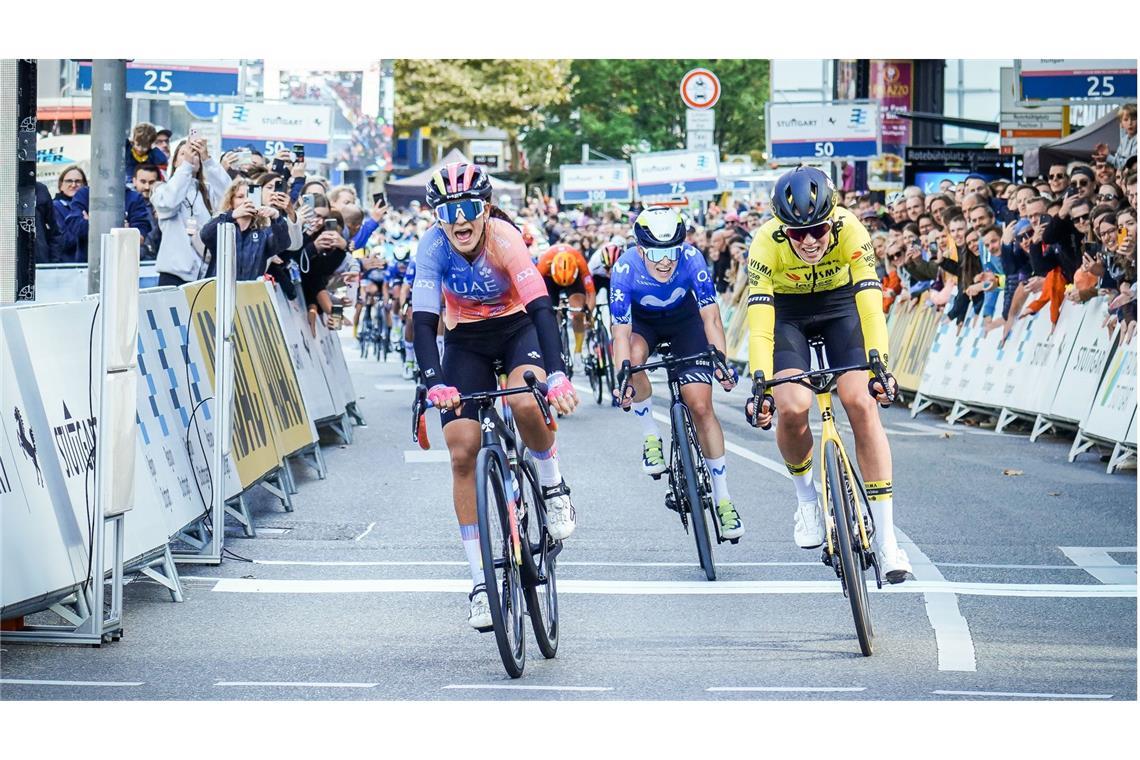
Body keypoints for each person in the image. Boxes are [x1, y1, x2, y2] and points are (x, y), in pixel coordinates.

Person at [411, 161, 578, 630]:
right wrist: (433, 381)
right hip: (465, 340)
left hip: (516, 329)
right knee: (461, 450)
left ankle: (552, 484)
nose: (459, 220)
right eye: (448, 211)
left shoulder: (505, 238)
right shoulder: (433, 246)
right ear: (437, 217)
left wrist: (559, 373)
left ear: (484, 209)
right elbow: (423, 320)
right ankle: (482, 583)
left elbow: (543, 308)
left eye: (467, 208)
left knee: (525, 401)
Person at [744, 166, 910, 582]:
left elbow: (871, 305)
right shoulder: (765, 242)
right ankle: (806, 502)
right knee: (792, 405)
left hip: (841, 307)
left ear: (831, 218)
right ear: (783, 229)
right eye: (797, 234)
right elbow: (761, 323)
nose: (809, 241)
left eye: (817, 230)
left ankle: (888, 542)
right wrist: (759, 384)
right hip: (789, 316)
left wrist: (880, 367)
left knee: (860, 401)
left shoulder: (852, 229)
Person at [609, 206, 744, 541]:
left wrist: (721, 362)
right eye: (656, 252)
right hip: (644, 327)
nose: (666, 261)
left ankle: (724, 499)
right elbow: (621, 336)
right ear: (640, 249)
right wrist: (622, 379)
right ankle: (650, 435)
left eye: (672, 251)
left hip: (687, 325)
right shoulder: (625, 268)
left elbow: (712, 319)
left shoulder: (693, 259)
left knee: (700, 405)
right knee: (634, 361)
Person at [151, 137, 231, 286]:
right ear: (174, 162)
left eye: (195, 153)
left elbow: (229, 194)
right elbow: (169, 202)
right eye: (184, 154)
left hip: (204, 275)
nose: (190, 156)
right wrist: (186, 167)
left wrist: (207, 159)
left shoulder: (207, 191)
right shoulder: (162, 189)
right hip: (174, 275)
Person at [200, 177, 292, 282]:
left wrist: (276, 217)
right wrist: (231, 215)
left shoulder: (263, 233)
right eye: (240, 197)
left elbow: (283, 243)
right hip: (218, 293)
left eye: (250, 196)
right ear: (231, 202)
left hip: (248, 294)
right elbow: (205, 235)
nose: (246, 201)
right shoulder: (222, 226)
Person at [537, 242, 595, 366]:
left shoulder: (580, 262)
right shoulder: (543, 264)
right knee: (549, 311)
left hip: (573, 281)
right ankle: (555, 336)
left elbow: (591, 293)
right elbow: (535, 291)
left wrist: (588, 314)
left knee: (578, 311)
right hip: (550, 280)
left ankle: (578, 352)